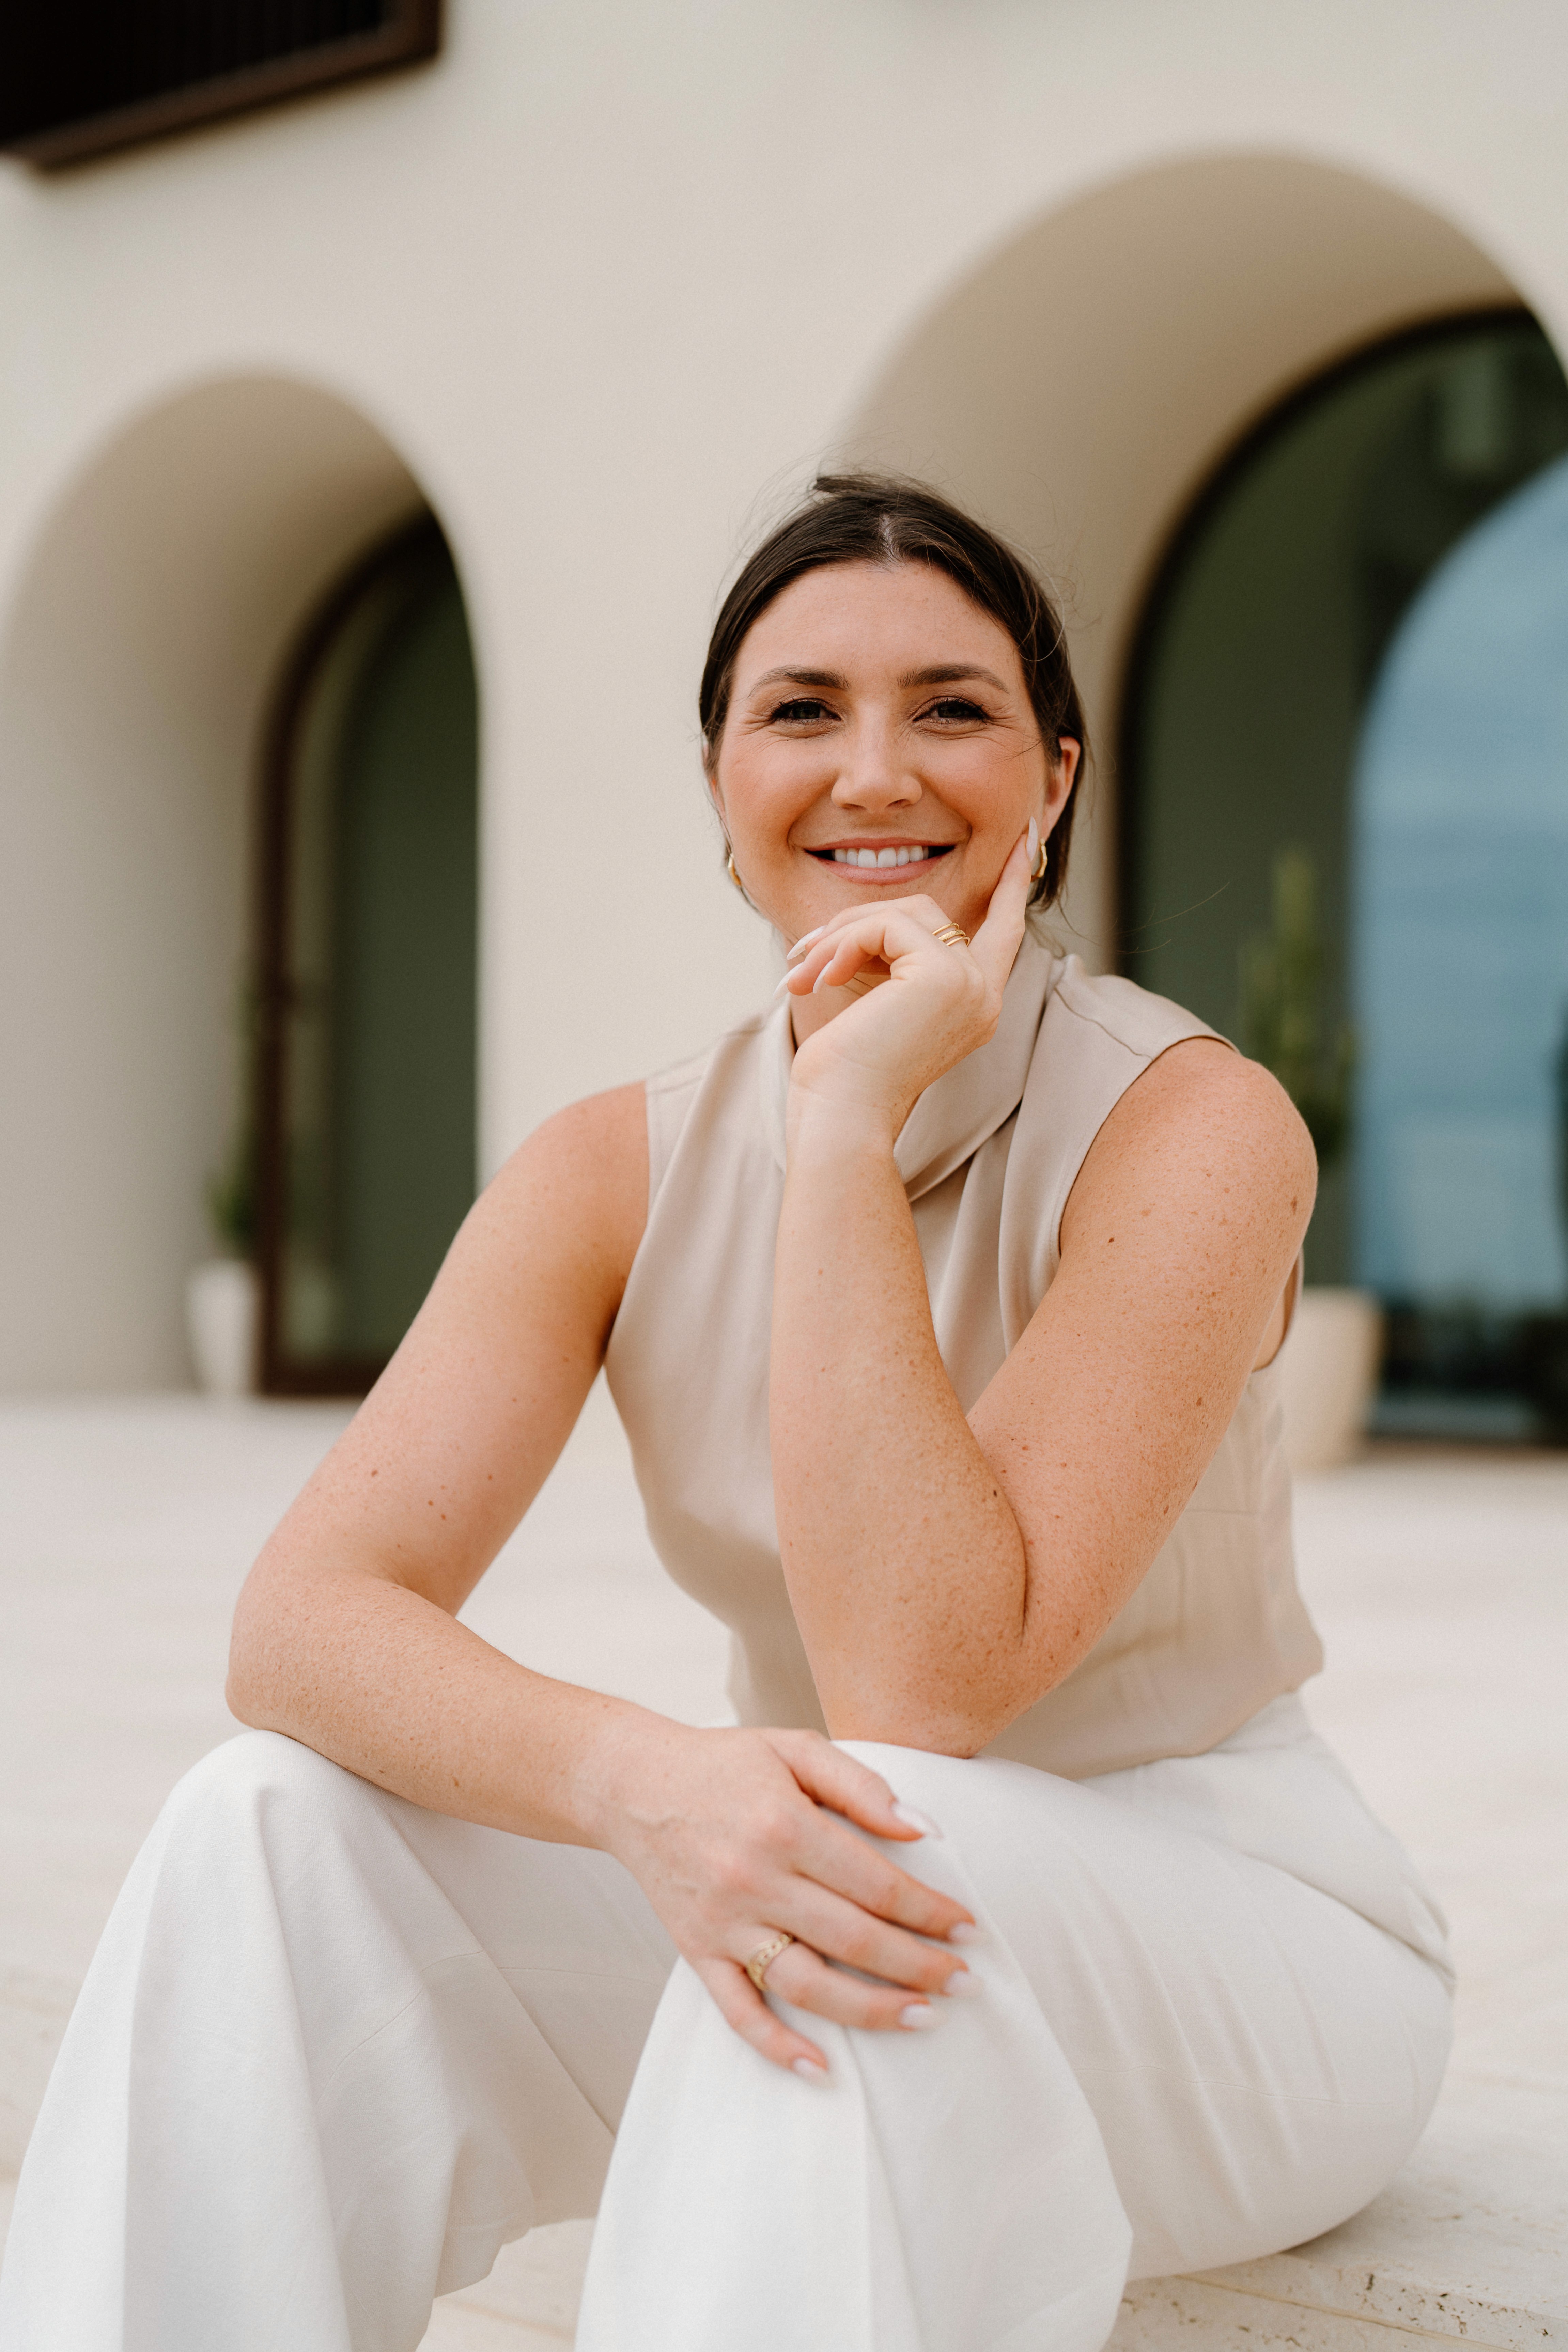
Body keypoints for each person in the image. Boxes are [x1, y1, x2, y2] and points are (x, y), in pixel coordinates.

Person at [0, 475, 1452, 2352]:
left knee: (863, 1855)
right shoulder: (610, 1166)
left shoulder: (1192, 1124)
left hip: (1240, 1949)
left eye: (952, 708)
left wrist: (842, 1122)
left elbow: (930, 1685)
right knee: (265, 1828)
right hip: (837, 1861)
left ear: (1057, 779)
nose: (877, 773)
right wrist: (645, 1782)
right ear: (719, 792)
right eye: (799, 711)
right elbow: (303, 1624)